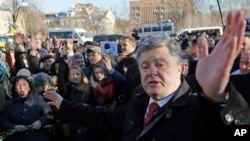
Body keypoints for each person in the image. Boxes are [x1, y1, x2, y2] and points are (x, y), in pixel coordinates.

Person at [44, 11, 250, 141]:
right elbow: (103, 117)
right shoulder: (139, 101)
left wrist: (219, 96)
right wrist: (64, 105)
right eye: (144, 66)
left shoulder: (198, 110)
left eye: (160, 64)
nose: (152, 71)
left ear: (180, 68)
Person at [0, 76, 54, 141]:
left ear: (29, 87)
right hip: (18, 137)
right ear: (15, 89)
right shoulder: (10, 104)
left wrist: (40, 121)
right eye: (18, 85)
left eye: (24, 84)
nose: (21, 87)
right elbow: (4, 122)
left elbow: (49, 115)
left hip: (38, 136)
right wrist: (14, 127)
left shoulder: (38, 99)